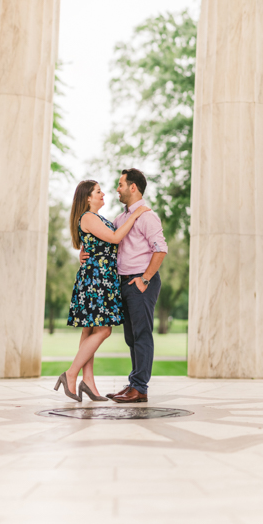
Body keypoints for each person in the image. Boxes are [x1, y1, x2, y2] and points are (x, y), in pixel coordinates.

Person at [53, 178, 151, 403]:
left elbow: (98, 243)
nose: (103, 194)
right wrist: (136, 214)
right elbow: (116, 237)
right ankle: (70, 374)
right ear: (87, 197)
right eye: (98, 192)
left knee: (89, 331)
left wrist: (85, 253)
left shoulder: (97, 218)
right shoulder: (88, 217)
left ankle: (88, 381)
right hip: (96, 280)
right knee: (104, 331)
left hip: (102, 278)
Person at [81, 169, 168, 404]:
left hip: (141, 281)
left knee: (141, 335)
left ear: (133, 187)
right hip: (124, 282)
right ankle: (134, 384)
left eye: (120, 184)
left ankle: (140, 387)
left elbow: (161, 249)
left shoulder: (147, 216)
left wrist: (145, 278)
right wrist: (84, 251)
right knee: (131, 337)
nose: (116, 189)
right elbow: (106, 238)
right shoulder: (122, 218)